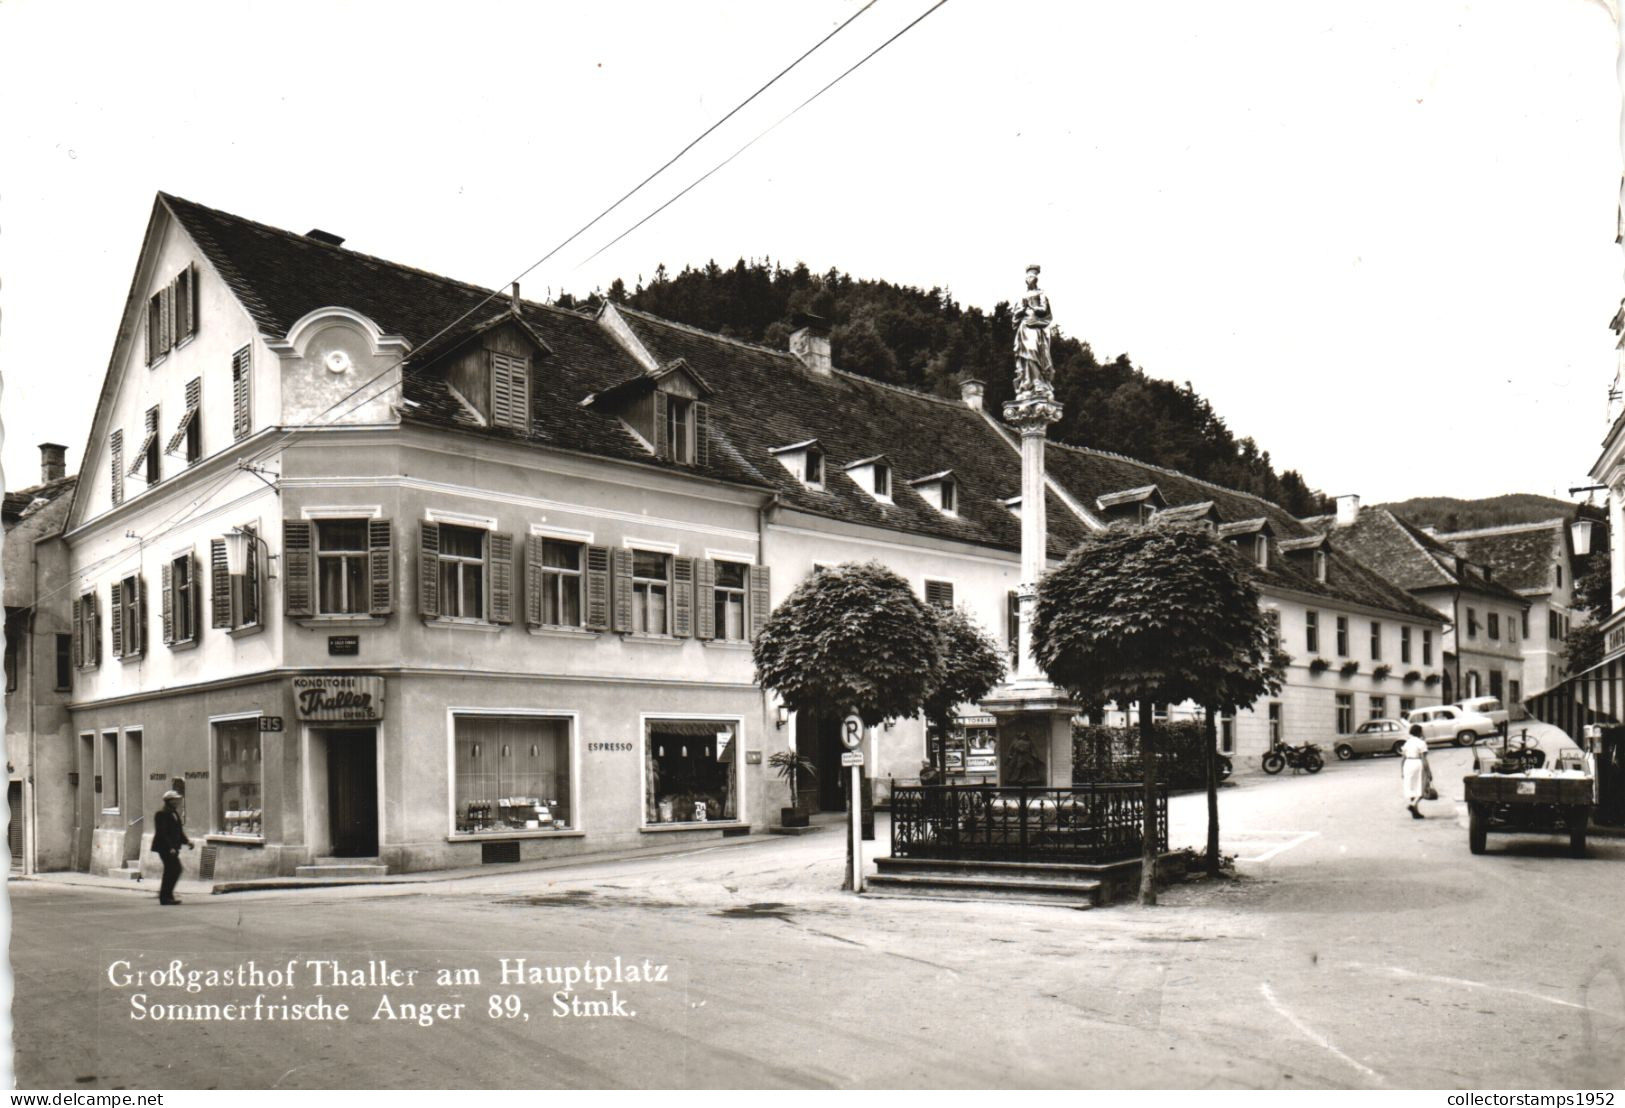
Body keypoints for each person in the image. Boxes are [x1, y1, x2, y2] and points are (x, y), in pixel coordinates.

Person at [1012, 264, 1054, 397]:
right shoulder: (1022, 295)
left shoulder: (1041, 293)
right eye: (1028, 277)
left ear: (1036, 279)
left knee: (1034, 350)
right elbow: (1016, 313)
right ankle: (1028, 380)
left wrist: (1034, 308)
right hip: (1024, 327)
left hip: (1035, 325)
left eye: (1032, 277)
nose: (1030, 279)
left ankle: (1038, 381)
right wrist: (1022, 309)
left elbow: (1044, 309)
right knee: (1025, 354)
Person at [152, 790, 192, 904]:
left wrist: (187, 842)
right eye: (175, 799)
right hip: (165, 847)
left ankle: (167, 896)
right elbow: (162, 833)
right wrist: (171, 847)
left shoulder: (173, 812)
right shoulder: (162, 813)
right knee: (173, 869)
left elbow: (178, 831)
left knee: (173, 870)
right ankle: (165, 897)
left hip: (172, 847)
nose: (178, 801)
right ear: (170, 801)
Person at [1401, 726, 1431, 819]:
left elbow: (1403, 758)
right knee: (1421, 787)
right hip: (1417, 763)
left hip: (1407, 764)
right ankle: (1413, 804)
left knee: (1411, 787)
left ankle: (1415, 812)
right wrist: (1429, 772)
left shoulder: (1407, 742)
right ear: (1420, 732)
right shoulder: (1421, 743)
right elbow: (1424, 759)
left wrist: (1401, 771)